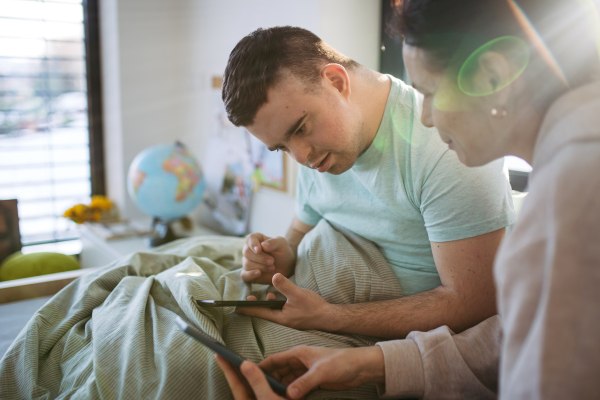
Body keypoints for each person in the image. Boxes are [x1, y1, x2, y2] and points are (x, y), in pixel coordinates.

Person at [216, 0, 600, 398]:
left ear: (492, 75)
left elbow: (522, 358)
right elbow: (509, 336)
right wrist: (377, 363)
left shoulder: (574, 191)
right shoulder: (563, 164)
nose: (427, 116)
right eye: (282, 147)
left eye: (429, 92)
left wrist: (333, 319)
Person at [222, 26, 515, 339]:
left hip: (376, 333)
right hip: (315, 302)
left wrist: (330, 317)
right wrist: (280, 256)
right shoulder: (317, 150)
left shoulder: (445, 146)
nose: (300, 156)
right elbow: (297, 234)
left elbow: (474, 304)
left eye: (301, 129)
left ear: (336, 82)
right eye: (281, 147)